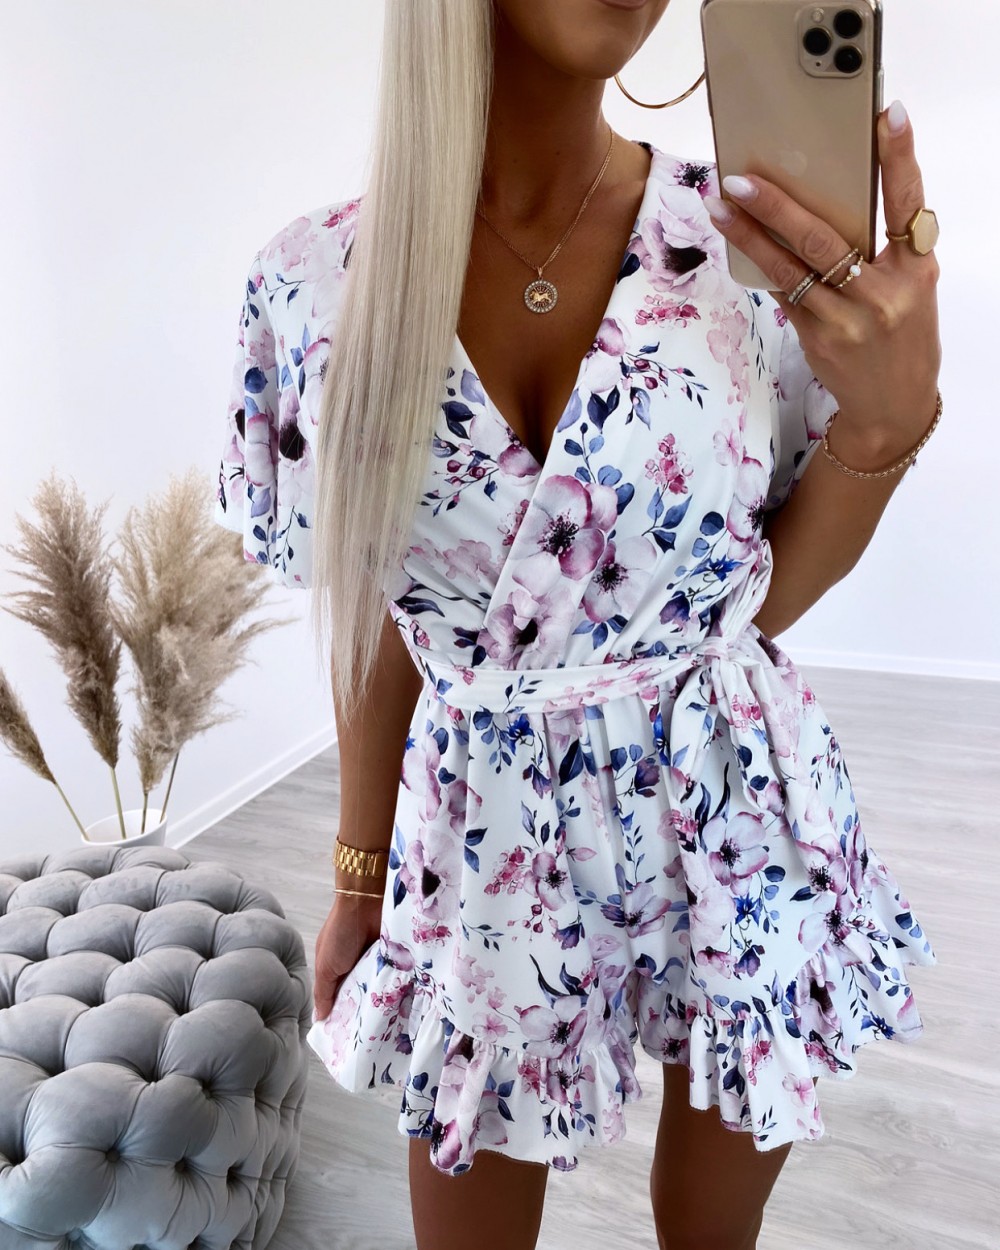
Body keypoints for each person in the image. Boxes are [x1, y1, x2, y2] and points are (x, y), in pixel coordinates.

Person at [214, 2, 942, 1247]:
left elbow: (752, 605)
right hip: (484, 824)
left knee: (709, 1230)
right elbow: (379, 614)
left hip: (728, 796)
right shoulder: (313, 285)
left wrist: (884, 424)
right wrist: (358, 872)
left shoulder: (742, 245)